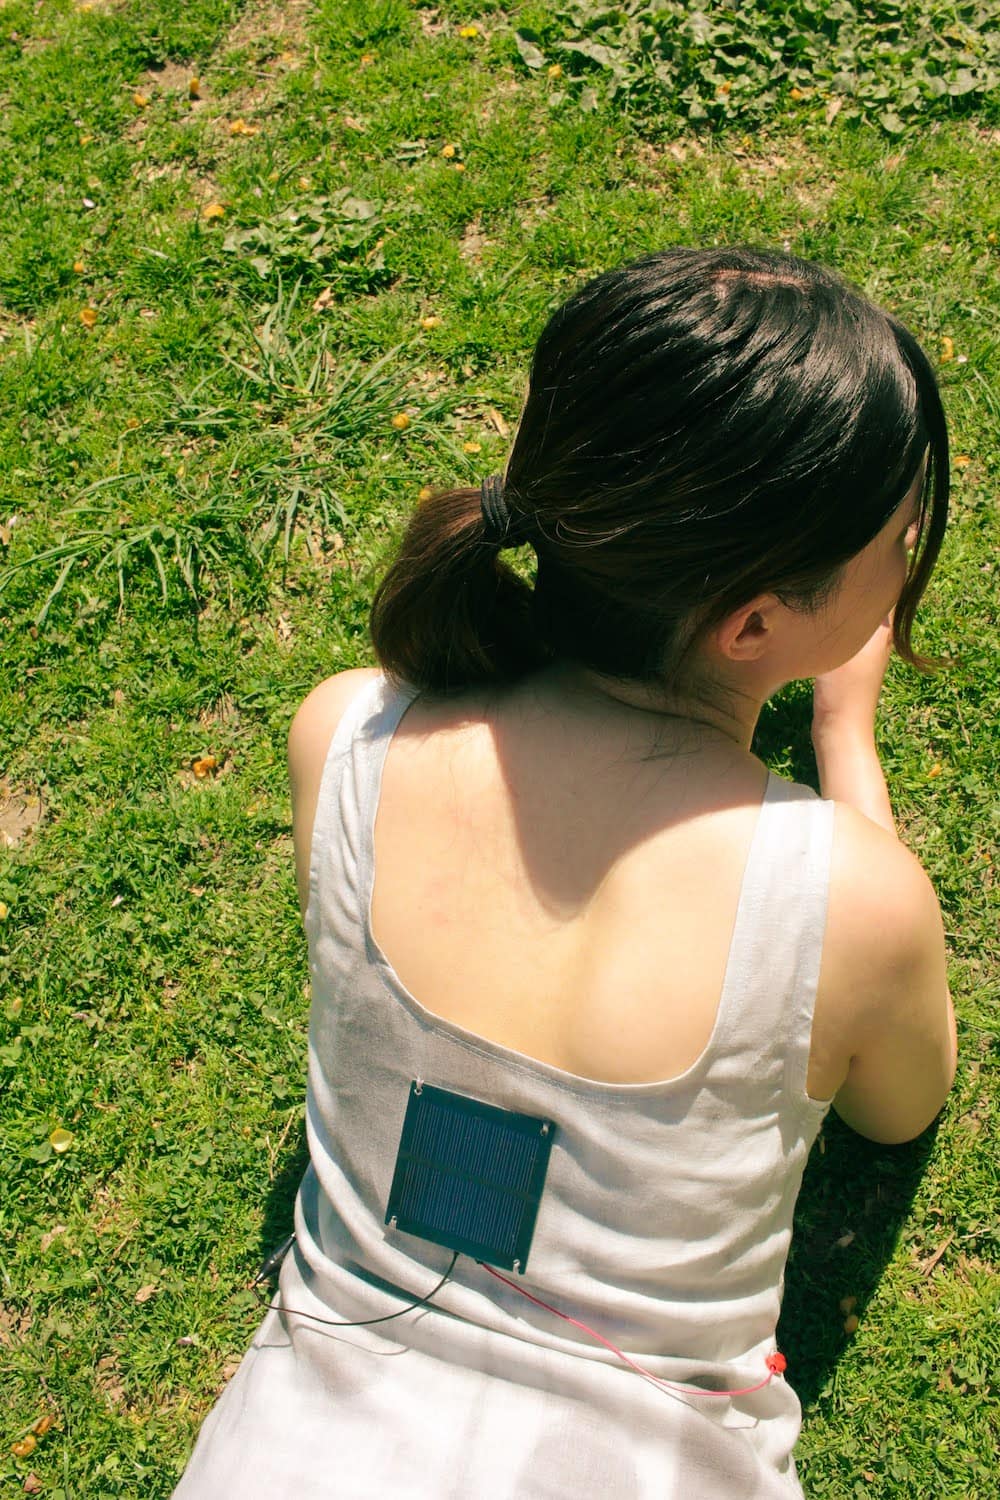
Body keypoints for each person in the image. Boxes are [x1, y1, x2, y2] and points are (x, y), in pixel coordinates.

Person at [173, 246, 957, 1498]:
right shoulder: (842, 900)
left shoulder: (350, 737)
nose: (910, 560)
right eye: (898, 543)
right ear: (756, 627)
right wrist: (844, 741)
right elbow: (901, 1104)